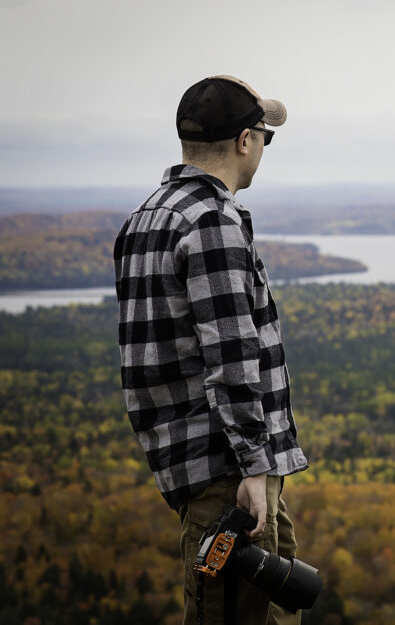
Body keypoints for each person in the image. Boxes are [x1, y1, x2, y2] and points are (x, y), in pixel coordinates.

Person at [113, 75, 309, 624]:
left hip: (192, 471)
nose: (264, 149)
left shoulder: (143, 220)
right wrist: (252, 464)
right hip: (231, 476)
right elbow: (231, 354)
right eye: (265, 137)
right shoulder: (213, 221)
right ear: (246, 141)